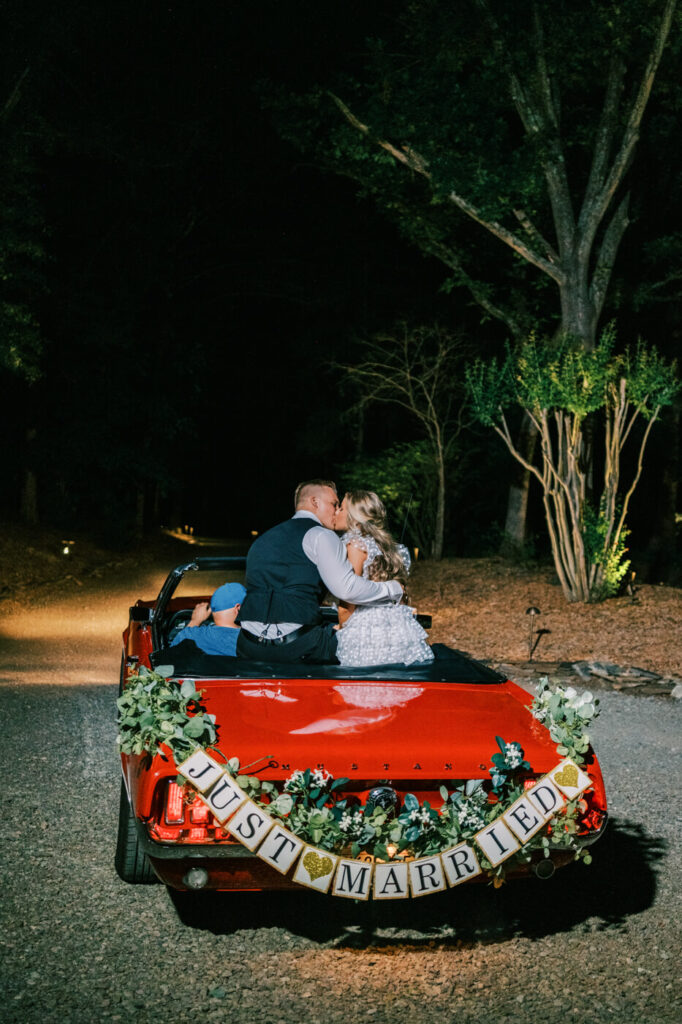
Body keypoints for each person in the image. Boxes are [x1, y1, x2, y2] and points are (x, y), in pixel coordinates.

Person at [237, 479, 403, 663]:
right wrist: (393, 589)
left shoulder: (261, 540)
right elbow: (346, 589)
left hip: (248, 646)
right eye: (334, 504)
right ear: (315, 502)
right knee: (370, 646)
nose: (336, 511)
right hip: (298, 647)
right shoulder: (321, 535)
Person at [334, 490, 434, 666]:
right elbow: (400, 593)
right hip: (398, 626)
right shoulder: (390, 546)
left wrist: (342, 628)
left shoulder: (355, 544)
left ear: (354, 517)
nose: (336, 513)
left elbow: (349, 597)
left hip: (367, 629)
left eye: (341, 509)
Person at [171, 581, 246, 657]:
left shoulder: (194, 635)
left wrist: (195, 621)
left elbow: (172, 653)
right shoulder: (251, 641)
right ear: (238, 608)